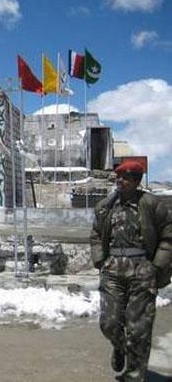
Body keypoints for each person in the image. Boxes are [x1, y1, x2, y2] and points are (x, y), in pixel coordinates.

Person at [90, 160, 172, 381]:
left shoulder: (152, 204)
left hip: (142, 269)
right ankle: (120, 346)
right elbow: (96, 234)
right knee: (108, 323)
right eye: (118, 177)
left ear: (136, 181)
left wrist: (156, 265)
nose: (119, 181)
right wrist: (100, 260)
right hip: (112, 268)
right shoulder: (106, 206)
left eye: (125, 178)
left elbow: (168, 235)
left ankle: (134, 375)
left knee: (139, 329)